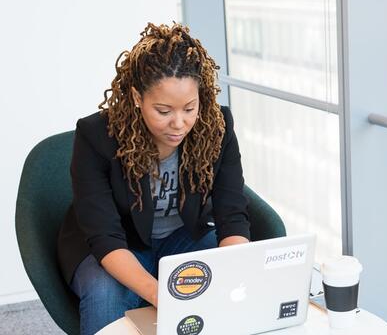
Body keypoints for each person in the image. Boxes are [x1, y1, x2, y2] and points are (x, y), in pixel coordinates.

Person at [57, 22, 250, 335]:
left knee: (234, 278)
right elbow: (105, 236)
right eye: (163, 110)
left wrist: (234, 273)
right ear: (137, 97)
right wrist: (161, 293)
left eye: (190, 108)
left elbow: (232, 214)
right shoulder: (96, 136)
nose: (179, 123)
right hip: (117, 244)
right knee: (106, 292)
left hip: (183, 236)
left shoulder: (218, 125)